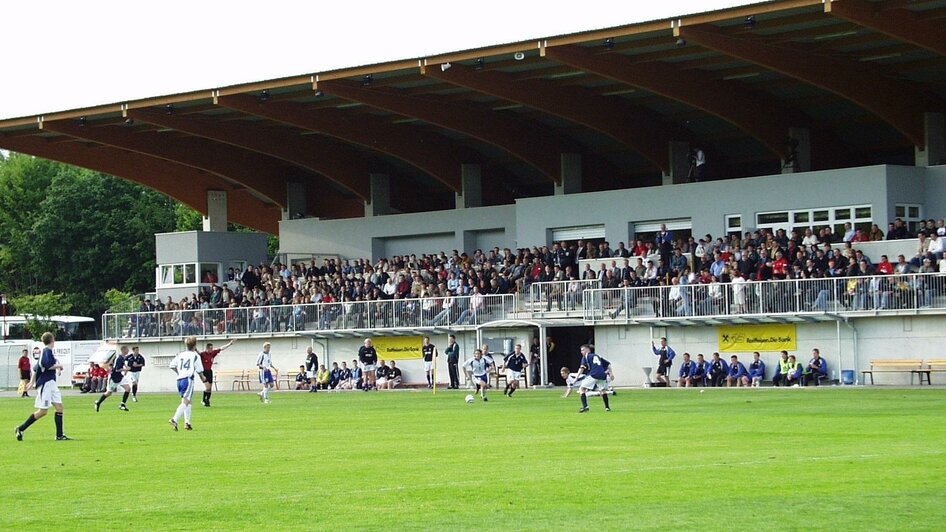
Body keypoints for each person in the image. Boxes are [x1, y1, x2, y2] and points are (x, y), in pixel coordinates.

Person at [15, 332, 69, 441]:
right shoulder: (47, 351)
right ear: (52, 340)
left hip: (51, 383)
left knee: (59, 407)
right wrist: (59, 366)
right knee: (43, 411)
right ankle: (20, 428)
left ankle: (59, 435)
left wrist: (31, 382)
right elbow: (46, 366)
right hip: (46, 383)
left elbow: (36, 368)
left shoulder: (47, 352)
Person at [168, 335, 202, 431]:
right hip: (188, 379)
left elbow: (172, 365)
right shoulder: (195, 355)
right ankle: (174, 419)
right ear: (195, 345)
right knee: (186, 401)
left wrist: (179, 372)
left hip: (179, 380)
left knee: (188, 400)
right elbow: (199, 370)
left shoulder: (180, 354)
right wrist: (204, 379)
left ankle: (187, 423)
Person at [575, 344, 614, 413]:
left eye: (583, 350)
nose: (581, 352)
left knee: (581, 389)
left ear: (588, 350)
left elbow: (581, 368)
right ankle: (607, 407)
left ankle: (585, 406)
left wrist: (576, 378)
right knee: (603, 390)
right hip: (602, 374)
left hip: (593, 374)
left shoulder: (586, 356)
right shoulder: (598, 356)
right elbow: (608, 364)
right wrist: (611, 373)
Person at [95, 345, 132, 412]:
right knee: (109, 393)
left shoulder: (122, 357)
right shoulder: (119, 359)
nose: (128, 351)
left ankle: (122, 404)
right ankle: (98, 402)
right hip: (114, 377)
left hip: (120, 377)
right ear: (123, 350)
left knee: (128, 388)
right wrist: (125, 369)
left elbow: (123, 364)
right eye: (127, 349)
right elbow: (117, 369)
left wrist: (126, 368)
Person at [199, 339, 234, 407]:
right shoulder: (203, 354)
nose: (212, 349)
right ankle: (203, 399)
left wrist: (230, 344)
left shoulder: (213, 353)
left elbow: (221, 348)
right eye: (211, 348)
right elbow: (197, 352)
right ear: (207, 348)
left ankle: (207, 400)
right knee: (207, 387)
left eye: (212, 348)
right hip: (203, 372)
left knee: (210, 388)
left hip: (209, 371)